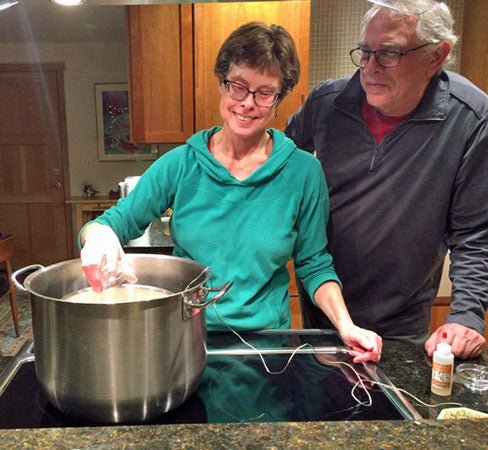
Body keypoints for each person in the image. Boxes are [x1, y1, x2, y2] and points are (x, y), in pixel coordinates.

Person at [79, 22, 382, 363]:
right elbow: (111, 223)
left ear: (279, 99)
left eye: (264, 92)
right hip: (188, 339)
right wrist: (98, 237)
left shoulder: (303, 172)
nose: (247, 103)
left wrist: (346, 325)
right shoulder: (181, 164)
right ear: (221, 83)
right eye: (238, 86)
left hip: (268, 346)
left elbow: (314, 264)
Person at [284, 0, 487, 359]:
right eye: (365, 52)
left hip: (401, 325)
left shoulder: (470, 119)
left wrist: (467, 315)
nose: (369, 68)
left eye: (389, 53)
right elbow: (277, 166)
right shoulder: (326, 103)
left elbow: (475, 233)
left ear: (437, 56)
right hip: (323, 314)